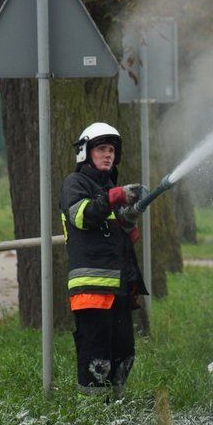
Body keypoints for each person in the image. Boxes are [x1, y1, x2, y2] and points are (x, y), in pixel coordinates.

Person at [59, 122, 148, 399]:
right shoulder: (75, 183)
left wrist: (129, 220)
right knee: (96, 357)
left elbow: (125, 237)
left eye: (111, 150)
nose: (108, 155)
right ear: (86, 152)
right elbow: (82, 216)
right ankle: (93, 412)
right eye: (101, 149)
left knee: (124, 354)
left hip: (119, 288)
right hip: (92, 289)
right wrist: (114, 197)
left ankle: (116, 408)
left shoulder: (110, 187)